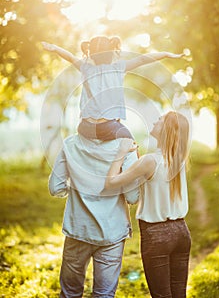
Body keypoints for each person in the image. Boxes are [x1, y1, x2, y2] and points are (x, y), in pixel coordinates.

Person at [104, 111, 191, 298]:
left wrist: (120, 154)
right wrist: (137, 157)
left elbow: (110, 182)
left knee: (161, 295)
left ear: (166, 130)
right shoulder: (179, 160)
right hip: (182, 233)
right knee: (178, 293)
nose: (155, 120)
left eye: (160, 120)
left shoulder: (149, 161)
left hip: (156, 235)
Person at [49, 133, 139, 297]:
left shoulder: (70, 143)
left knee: (70, 293)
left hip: (78, 229)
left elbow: (56, 187)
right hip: (113, 232)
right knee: (104, 294)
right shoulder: (126, 146)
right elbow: (133, 197)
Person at [42, 36, 184, 141]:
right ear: (112, 52)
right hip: (107, 128)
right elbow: (142, 59)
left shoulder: (86, 69)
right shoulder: (118, 68)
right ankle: (137, 178)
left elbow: (70, 57)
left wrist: (55, 49)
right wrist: (165, 54)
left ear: (91, 54)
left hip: (84, 128)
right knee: (131, 144)